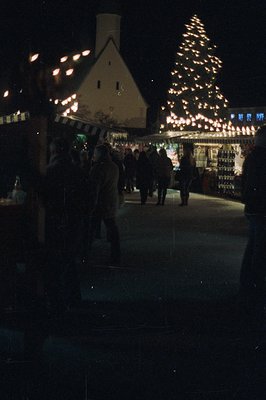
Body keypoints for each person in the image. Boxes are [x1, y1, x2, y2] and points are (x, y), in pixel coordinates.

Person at [42, 137, 84, 314]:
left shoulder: (52, 171)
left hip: (58, 221)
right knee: (69, 259)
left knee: (55, 263)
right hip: (74, 221)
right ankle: (73, 298)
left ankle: (58, 303)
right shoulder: (77, 170)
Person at [239, 125, 266, 324]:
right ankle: (255, 284)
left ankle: (247, 280)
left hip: (252, 207)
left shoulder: (251, 157)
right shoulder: (261, 158)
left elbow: (244, 183)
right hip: (260, 207)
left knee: (253, 244)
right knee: (259, 247)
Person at [88, 144, 121, 265]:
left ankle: (85, 253)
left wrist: (91, 203)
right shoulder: (114, 166)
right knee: (112, 227)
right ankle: (115, 253)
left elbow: (94, 188)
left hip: (100, 202)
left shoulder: (98, 168)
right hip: (111, 200)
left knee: (91, 229)